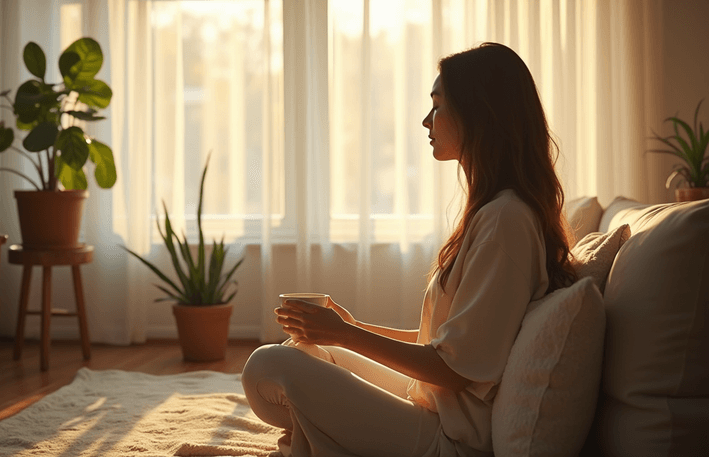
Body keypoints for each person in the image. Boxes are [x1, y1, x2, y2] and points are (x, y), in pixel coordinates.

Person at [241, 42, 576, 457]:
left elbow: (453, 370)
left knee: (267, 366)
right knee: (304, 351)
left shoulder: (505, 221)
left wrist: (344, 334)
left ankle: (322, 433)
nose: (425, 121)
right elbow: (447, 344)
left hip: (451, 438)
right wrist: (349, 328)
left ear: (479, 115)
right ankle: (323, 430)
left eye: (437, 106)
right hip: (434, 405)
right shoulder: (495, 213)